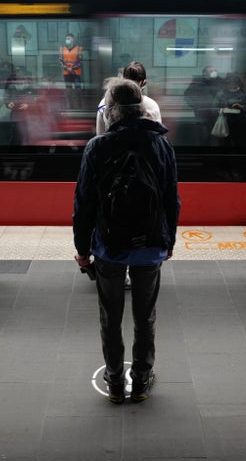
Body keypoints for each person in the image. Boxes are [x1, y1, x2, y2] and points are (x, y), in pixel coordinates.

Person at [73, 78, 180, 404]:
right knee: (144, 316)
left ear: (113, 111)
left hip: (109, 247)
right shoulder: (161, 145)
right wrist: (169, 241)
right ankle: (143, 379)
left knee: (111, 316)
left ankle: (116, 382)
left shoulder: (98, 147)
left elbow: (84, 203)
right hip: (150, 246)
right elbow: (171, 200)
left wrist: (82, 250)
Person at [96, 61, 161, 135]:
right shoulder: (152, 105)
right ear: (143, 83)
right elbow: (157, 136)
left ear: (122, 78)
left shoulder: (104, 103)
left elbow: (100, 135)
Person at [213, 73, 246, 145]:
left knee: (240, 143)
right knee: (225, 144)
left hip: (242, 122)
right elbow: (213, 108)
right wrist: (221, 110)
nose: (232, 87)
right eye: (230, 86)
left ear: (238, 84)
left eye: (234, 86)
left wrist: (242, 107)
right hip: (225, 122)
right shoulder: (221, 93)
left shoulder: (245, 93)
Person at [184, 65, 224, 136]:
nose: (214, 72)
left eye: (215, 71)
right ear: (205, 73)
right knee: (203, 134)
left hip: (215, 112)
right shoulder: (197, 81)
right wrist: (195, 105)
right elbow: (188, 94)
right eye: (211, 71)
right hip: (202, 112)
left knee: (215, 133)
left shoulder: (219, 81)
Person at [59, 33, 83, 109]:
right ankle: (70, 106)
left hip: (76, 72)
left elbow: (80, 61)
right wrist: (67, 68)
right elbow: (60, 60)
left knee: (77, 90)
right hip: (66, 73)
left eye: (69, 38)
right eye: (66, 39)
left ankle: (79, 106)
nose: (67, 40)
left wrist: (72, 69)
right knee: (68, 90)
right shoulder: (62, 49)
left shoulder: (79, 49)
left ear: (73, 39)